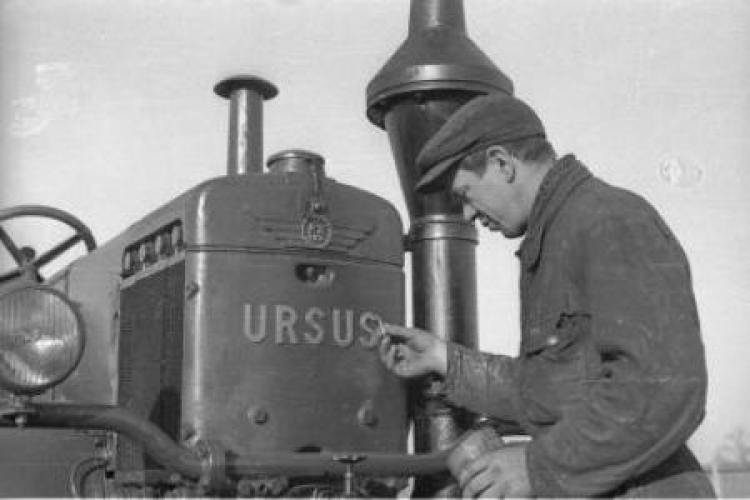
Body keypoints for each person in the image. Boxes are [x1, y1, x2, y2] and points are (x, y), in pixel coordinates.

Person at [379, 93, 715, 498]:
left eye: (466, 194)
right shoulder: (557, 234)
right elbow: (549, 390)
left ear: (503, 164)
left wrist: (537, 466)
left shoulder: (608, 220)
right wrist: (444, 359)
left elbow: (663, 388)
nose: (467, 214)